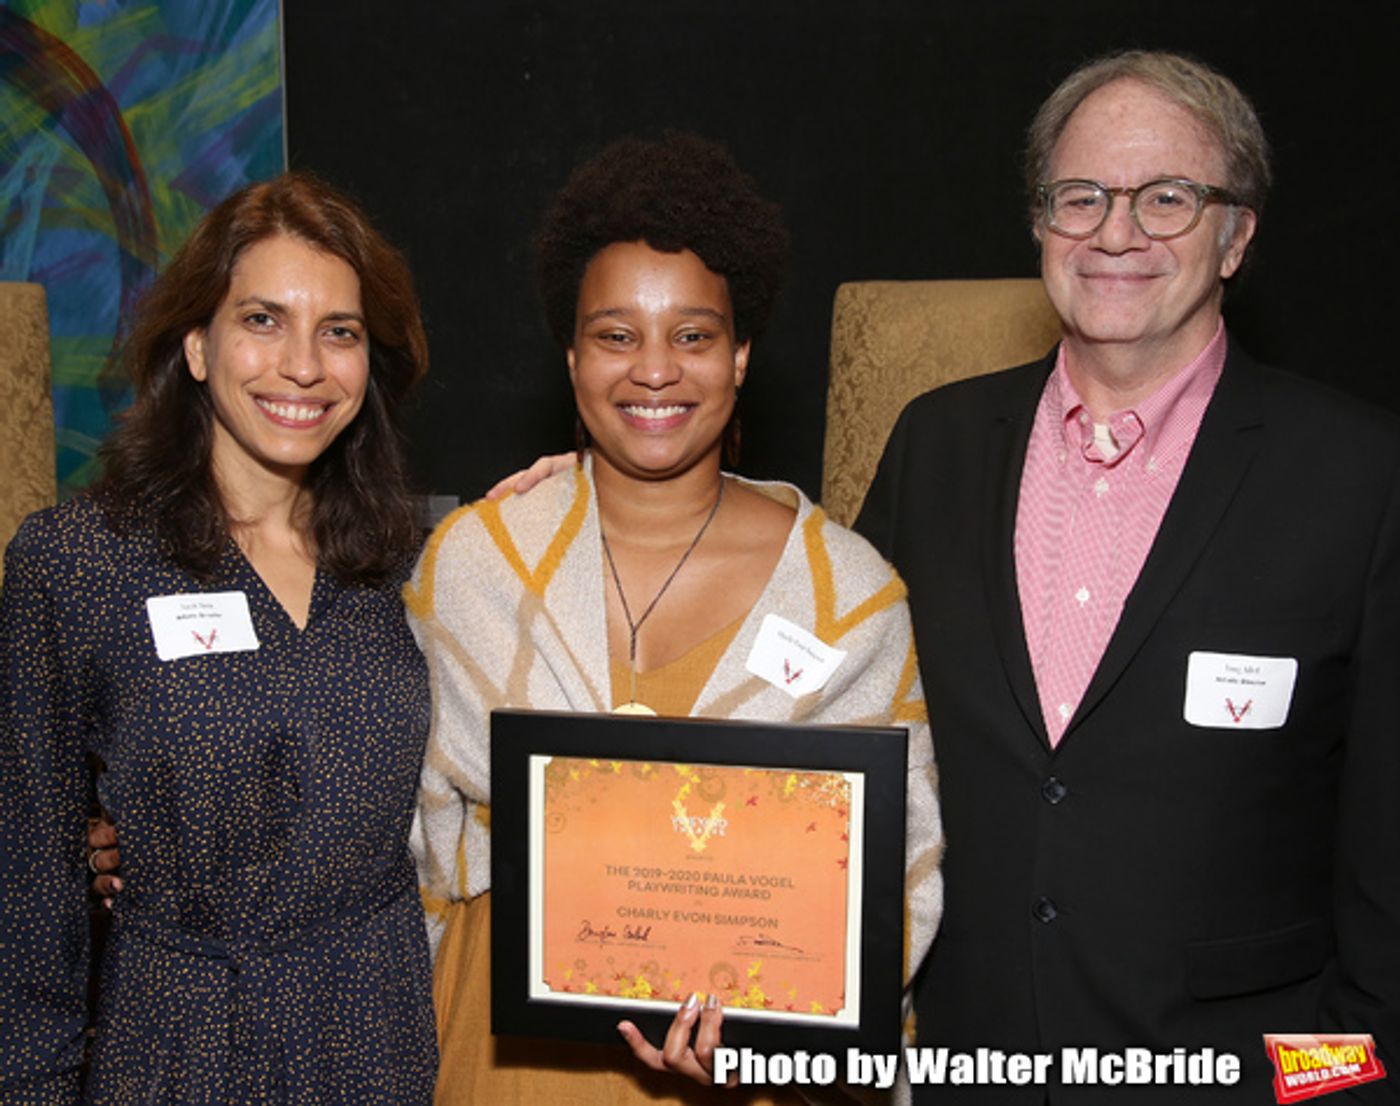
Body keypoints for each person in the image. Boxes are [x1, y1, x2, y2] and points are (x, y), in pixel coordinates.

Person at [855, 50, 1400, 1102]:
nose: (1115, 232)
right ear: (1038, 224)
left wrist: (1338, 1085)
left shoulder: (1360, 477)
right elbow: (832, 691)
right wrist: (616, 497)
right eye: (1081, 196)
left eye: (1165, 198)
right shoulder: (937, 443)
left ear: (1234, 234)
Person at [406, 132, 943, 1104]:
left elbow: (892, 879)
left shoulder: (844, 596)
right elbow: (404, 847)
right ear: (570, 355)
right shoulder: (476, 566)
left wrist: (777, 1041)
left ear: (738, 355)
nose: (653, 369)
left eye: (692, 335)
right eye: (615, 334)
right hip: (507, 1063)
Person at [0, 172, 438, 1103]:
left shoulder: (407, 561)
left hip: (377, 1036)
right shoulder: (79, 562)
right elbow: (28, 883)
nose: (304, 366)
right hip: (180, 1041)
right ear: (197, 344)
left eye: (340, 332)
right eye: (263, 321)